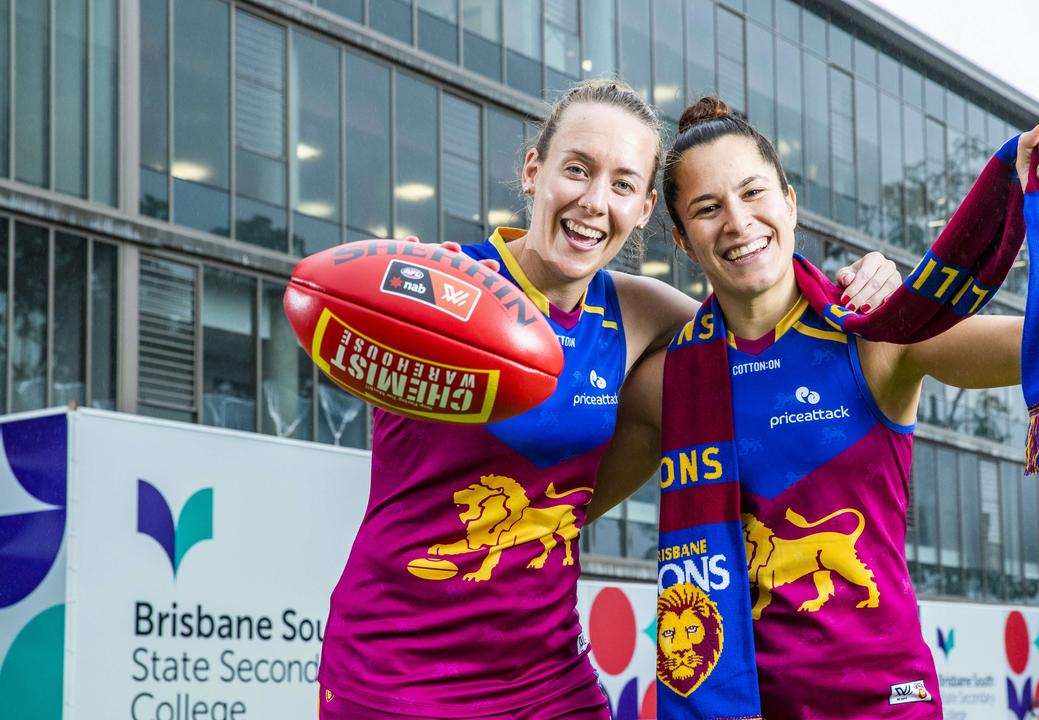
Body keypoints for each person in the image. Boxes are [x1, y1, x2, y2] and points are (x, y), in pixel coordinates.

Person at [317, 80, 899, 720]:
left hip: (549, 679)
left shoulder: (640, 312)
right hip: (392, 673)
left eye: (622, 184)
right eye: (577, 170)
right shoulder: (442, 283)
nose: (595, 201)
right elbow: (324, 300)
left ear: (647, 208)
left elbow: (766, 316)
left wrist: (868, 284)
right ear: (534, 171)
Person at [589, 97, 1039, 718]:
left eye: (753, 194)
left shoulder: (877, 336)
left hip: (888, 702)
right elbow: (557, 510)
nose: (738, 222)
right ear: (683, 241)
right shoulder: (666, 384)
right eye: (707, 208)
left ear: (790, 201)